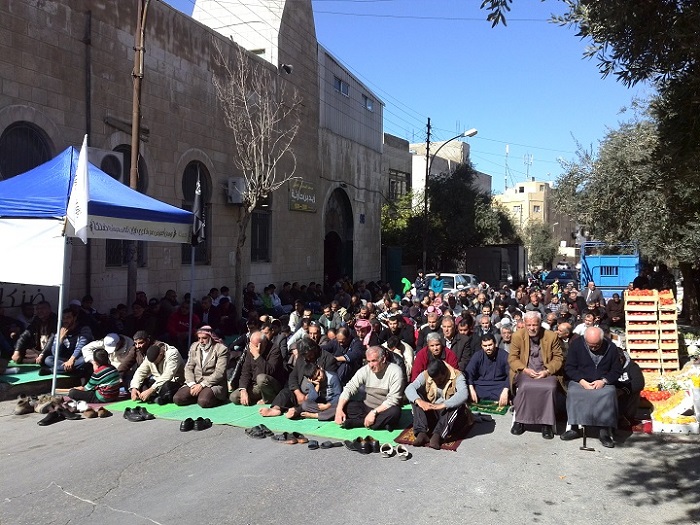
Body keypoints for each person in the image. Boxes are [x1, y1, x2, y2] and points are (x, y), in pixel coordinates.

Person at [561, 327, 622, 448]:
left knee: (609, 394)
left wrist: (603, 381)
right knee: (573, 392)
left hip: (602, 381)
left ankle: (604, 431)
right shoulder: (576, 345)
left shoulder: (611, 347)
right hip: (581, 380)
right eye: (590, 345)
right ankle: (574, 427)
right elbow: (569, 367)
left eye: (597, 345)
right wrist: (581, 381)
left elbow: (616, 370)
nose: (593, 348)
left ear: (602, 340)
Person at [508, 311, 564, 440]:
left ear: (540, 324)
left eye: (535, 325)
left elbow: (558, 358)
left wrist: (547, 371)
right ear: (524, 324)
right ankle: (520, 420)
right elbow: (512, 358)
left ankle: (546, 424)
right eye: (529, 325)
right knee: (525, 386)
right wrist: (525, 370)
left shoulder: (551, 336)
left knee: (550, 388)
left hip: (546, 371)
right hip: (525, 370)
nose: (532, 328)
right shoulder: (517, 336)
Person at [259, 337, 338, 418]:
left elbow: (329, 383)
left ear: (314, 349)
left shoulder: (328, 359)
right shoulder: (302, 358)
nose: (308, 358)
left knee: (308, 403)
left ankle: (297, 411)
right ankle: (276, 408)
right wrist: (297, 392)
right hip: (300, 392)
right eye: (306, 356)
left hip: (318, 394)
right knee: (285, 392)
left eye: (310, 355)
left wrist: (312, 393)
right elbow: (293, 376)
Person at [405, 358, 473, 449]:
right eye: (434, 380)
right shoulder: (425, 374)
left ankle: (438, 436)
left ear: (445, 372)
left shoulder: (458, 376)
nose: (437, 382)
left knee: (458, 404)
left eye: (440, 379)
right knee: (415, 396)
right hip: (433, 412)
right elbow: (409, 388)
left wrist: (442, 405)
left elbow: (463, 394)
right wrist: (419, 401)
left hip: (449, 417)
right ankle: (422, 432)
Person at [334, 346, 404, 430]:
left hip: (384, 409)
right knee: (344, 405)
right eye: (368, 361)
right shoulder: (365, 370)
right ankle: (381, 423)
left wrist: (374, 412)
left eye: (374, 361)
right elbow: (349, 388)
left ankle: (359, 423)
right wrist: (339, 409)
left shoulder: (395, 371)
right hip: (367, 407)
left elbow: (393, 399)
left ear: (383, 359)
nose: (371, 365)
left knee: (395, 412)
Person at [173, 326, 229, 408]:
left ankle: (213, 397)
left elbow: (219, 372)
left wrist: (202, 385)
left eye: (204, 338)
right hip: (195, 381)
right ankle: (198, 395)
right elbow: (189, 367)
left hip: (213, 383)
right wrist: (192, 383)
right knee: (178, 399)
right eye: (199, 338)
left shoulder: (221, 349)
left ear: (211, 337)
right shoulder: (194, 346)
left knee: (204, 402)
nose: (201, 341)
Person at [230, 330, 284, 405]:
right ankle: (259, 397)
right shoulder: (251, 349)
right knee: (234, 397)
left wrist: (257, 356)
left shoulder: (275, 350)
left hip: (271, 384)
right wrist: (243, 390)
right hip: (255, 385)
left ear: (264, 343)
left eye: (256, 346)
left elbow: (269, 371)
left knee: (261, 378)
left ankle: (269, 399)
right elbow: (245, 371)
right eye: (252, 345)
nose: (253, 348)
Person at [42, 308, 93, 376]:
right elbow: (55, 353)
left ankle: (52, 370)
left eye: (68, 317)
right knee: (48, 360)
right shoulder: (61, 330)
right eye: (63, 318)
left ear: (74, 318)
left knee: (85, 360)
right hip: (65, 359)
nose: (65, 320)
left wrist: (71, 360)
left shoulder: (84, 329)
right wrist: (60, 340)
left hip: (78, 357)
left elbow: (81, 346)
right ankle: (73, 370)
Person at [466, 334, 509, 407]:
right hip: (481, 386)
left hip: (499, 386)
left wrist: (506, 390)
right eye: (485, 346)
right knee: (466, 391)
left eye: (490, 345)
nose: (488, 348)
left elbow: (511, 374)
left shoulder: (504, 355)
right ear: (481, 346)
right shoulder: (478, 355)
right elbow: (469, 372)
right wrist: (471, 388)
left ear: (495, 344)